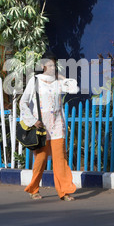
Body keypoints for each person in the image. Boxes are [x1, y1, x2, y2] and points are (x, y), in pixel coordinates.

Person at [19, 51, 77, 201]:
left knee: (60, 159)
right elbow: (23, 102)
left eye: (54, 64)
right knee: (41, 159)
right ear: (43, 65)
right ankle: (33, 189)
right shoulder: (35, 81)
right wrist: (32, 120)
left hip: (57, 125)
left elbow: (74, 88)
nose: (52, 67)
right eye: (49, 64)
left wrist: (61, 77)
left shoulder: (57, 82)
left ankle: (64, 191)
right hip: (41, 126)